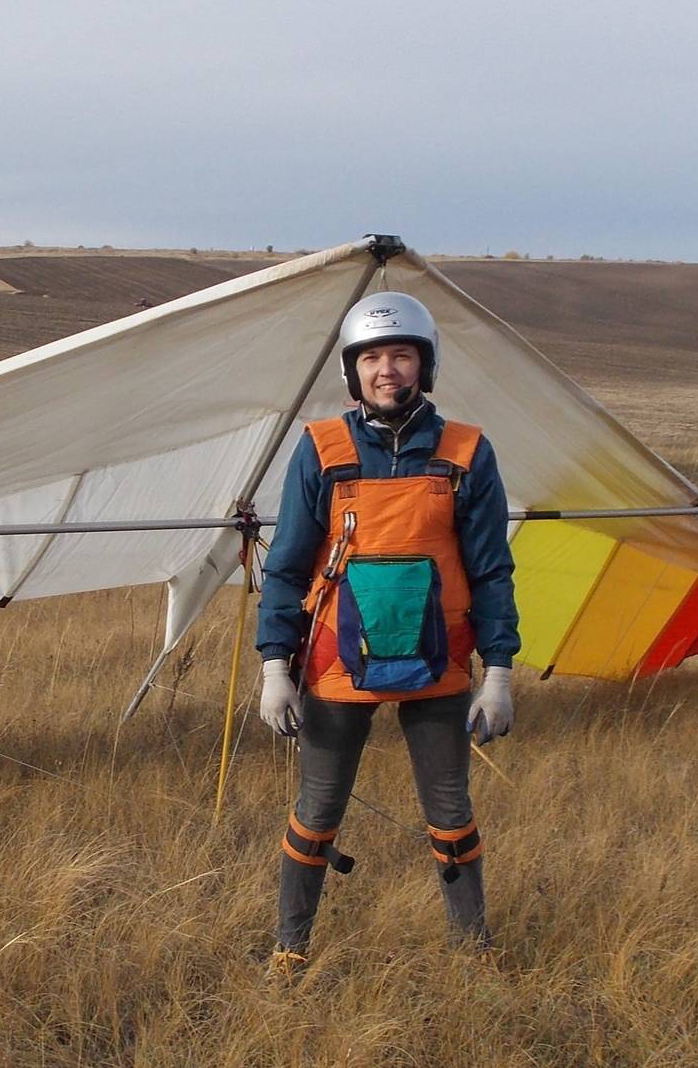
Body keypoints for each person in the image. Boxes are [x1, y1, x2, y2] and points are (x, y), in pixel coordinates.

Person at [255, 290, 521, 974]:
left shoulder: (466, 452)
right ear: (352, 371)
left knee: (450, 809)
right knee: (316, 808)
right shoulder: (320, 449)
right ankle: (290, 950)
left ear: (423, 367)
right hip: (335, 659)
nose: (386, 370)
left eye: (401, 355)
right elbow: (284, 567)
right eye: (371, 357)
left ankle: (472, 953)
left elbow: (491, 570)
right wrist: (273, 667)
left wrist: (498, 673)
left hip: (439, 660)